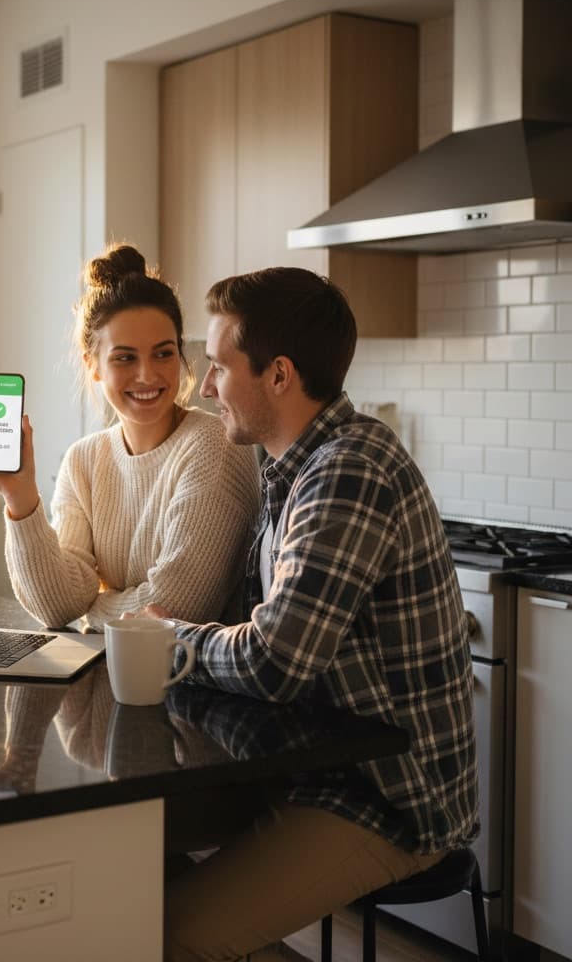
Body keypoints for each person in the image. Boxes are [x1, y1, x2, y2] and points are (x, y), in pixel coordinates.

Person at [145, 267, 478, 962]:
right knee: (121, 871)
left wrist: (168, 639)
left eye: (217, 365)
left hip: (389, 798)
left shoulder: (347, 470)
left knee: (170, 934)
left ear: (279, 375)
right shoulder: (294, 467)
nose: (204, 387)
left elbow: (275, 659)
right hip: (319, 770)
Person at [0, 244, 259, 632]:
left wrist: (93, 609)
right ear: (93, 365)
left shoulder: (213, 444)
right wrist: (19, 497)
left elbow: (174, 608)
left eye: (163, 354)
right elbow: (57, 606)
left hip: (193, 684)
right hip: (118, 670)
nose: (148, 375)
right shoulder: (84, 459)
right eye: (125, 357)